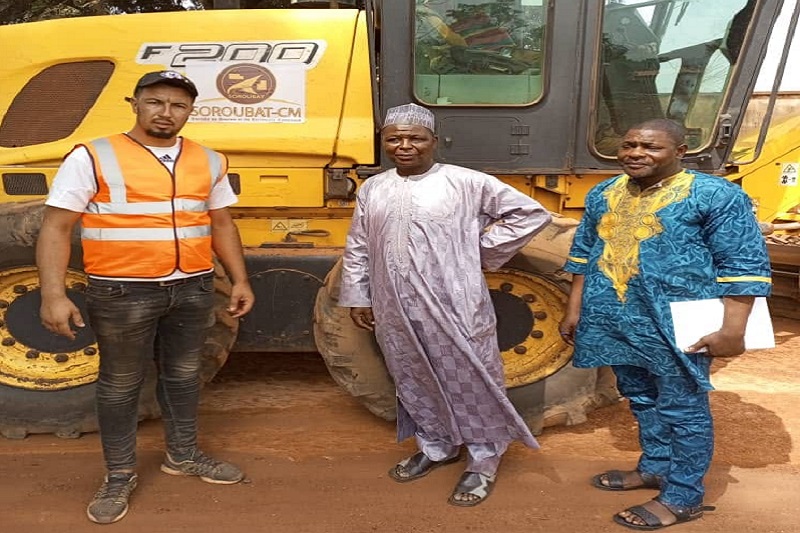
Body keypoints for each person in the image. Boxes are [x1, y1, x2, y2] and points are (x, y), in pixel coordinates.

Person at [36, 70, 255, 525]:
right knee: (120, 383)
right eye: (155, 102)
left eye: (178, 105)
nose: (166, 112)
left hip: (193, 286)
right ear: (134, 103)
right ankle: (119, 474)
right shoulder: (94, 155)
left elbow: (221, 224)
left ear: (190, 111)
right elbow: (56, 227)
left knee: (183, 374)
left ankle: (184, 455)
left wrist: (239, 279)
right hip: (121, 291)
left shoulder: (210, 159)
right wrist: (53, 295)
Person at [559, 119, 772, 530]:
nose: (636, 153)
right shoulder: (604, 193)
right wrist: (575, 309)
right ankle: (655, 468)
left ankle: (683, 496)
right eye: (629, 145)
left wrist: (733, 330)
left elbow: (743, 265)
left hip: (676, 326)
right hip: (615, 319)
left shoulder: (715, 195)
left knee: (683, 408)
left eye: (650, 147)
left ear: (680, 151)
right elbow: (584, 254)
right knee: (639, 398)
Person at [339, 103, 551, 507]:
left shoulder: (467, 182)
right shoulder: (373, 188)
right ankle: (437, 445)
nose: (405, 146)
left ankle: (483, 462)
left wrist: (477, 252)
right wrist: (358, 295)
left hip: (456, 304)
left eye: (415, 138)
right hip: (393, 305)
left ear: (434, 141)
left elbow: (528, 214)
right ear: (384, 142)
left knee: (472, 378)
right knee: (412, 376)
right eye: (394, 138)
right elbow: (359, 245)